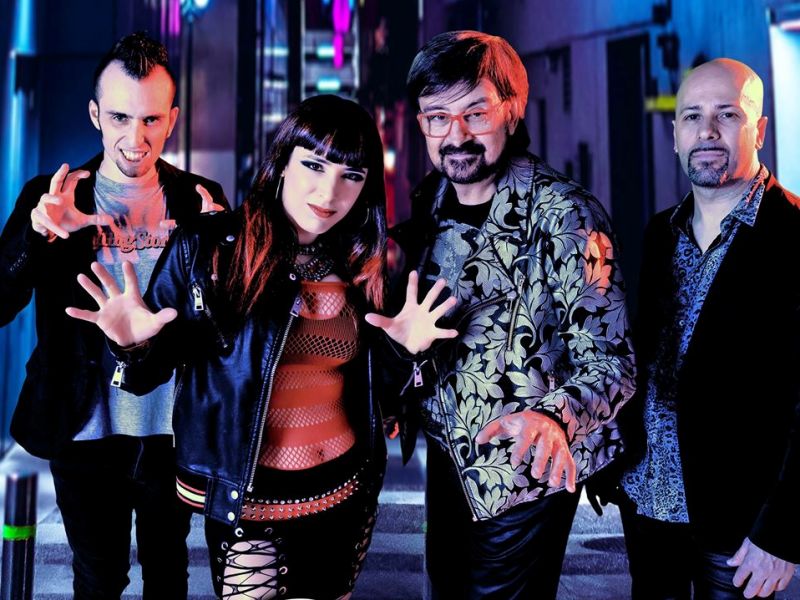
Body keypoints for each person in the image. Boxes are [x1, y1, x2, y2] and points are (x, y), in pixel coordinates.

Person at [67, 94, 390, 600]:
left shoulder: (361, 263)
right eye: (313, 165)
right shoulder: (211, 248)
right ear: (281, 164)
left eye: (352, 175)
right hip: (252, 499)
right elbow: (150, 371)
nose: (329, 191)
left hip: (343, 491)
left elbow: (380, 393)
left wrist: (408, 354)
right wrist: (131, 346)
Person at [365, 30, 636, 599]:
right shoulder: (432, 202)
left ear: (512, 111)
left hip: (524, 470)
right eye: (437, 117)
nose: (456, 135)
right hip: (446, 458)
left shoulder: (565, 214)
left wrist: (555, 418)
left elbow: (613, 361)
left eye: (475, 113)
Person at [0, 32, 228, 598]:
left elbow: (225, 327)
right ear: (95, 115)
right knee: (98, 577)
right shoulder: (53, 197)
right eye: (121, 117)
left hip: (172, 430)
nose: (135, 138)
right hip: (84, 425)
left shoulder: (199, 199)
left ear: (172, 120)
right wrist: (36, 236)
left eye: (151, 119)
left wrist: (220, 255)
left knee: (168, 572)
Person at [605, 58, 799, 599]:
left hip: (741, 524)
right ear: (675, 135)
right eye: (692, 116)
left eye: (727, 115)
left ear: (759, 130)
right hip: (649, 504)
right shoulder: (659, 234)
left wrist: (782, 531)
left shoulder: (793, 237)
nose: (707, 131)